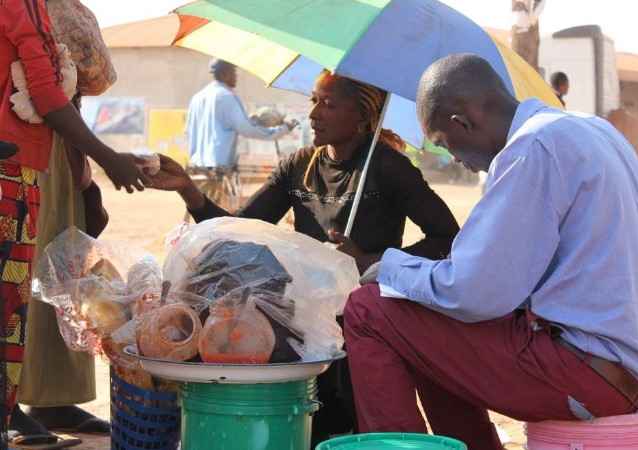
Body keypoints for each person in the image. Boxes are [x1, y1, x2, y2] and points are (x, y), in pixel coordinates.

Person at [347, 54, 638, 450]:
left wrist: (385, 265)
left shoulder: (533, 148)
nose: (456, 160)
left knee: (369, 309)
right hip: (619, 368)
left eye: (445, 145)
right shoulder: (590, 129)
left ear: (463, 122)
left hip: (583, 371)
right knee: (421, 320)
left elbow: (473, 292)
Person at [146, 69, 460, 446]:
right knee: (306, 416)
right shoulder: (299, 165)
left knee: (351, 419)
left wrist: (372, 260)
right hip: (300, 315)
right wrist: (188, 192)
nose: (314, 114)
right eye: (314, 101)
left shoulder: (389, 168)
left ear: (362, 116)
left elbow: (446, 238)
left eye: (328, 104)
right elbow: (241, 230)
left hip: (361, 315)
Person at [0, 0, 146, 444]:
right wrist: (109, 159)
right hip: (14, 163)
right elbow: (46, 91)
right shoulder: (23, 6)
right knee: (9, 299)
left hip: (34, 152)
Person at [185, 59, 296, 213]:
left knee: (202, 212)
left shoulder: (198, 97)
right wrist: (282, 129)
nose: (236, 76)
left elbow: (190, 131)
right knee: (220, 218)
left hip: (197, 168)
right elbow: (247, 129)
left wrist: (253, 120)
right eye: (234, 72)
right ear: (225, 73)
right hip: (219, 171)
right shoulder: (226, 96)